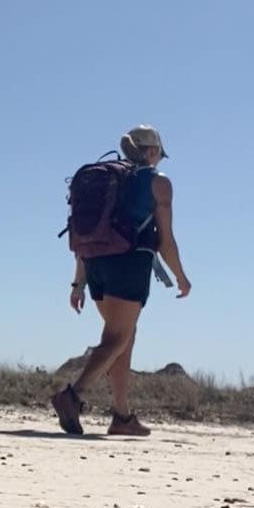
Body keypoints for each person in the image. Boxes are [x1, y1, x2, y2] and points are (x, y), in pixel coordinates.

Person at [51, 124, 191, 436]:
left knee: (122, 338)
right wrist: (181, 277)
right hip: (128, 262)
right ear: (153, 151)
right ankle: (72, 397)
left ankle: (122, 416)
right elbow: (166, 240)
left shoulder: (105, 178)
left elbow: (89, 233)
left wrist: (78, 283)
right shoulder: (157, 182)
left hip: (94, 262)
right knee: (116, 338)